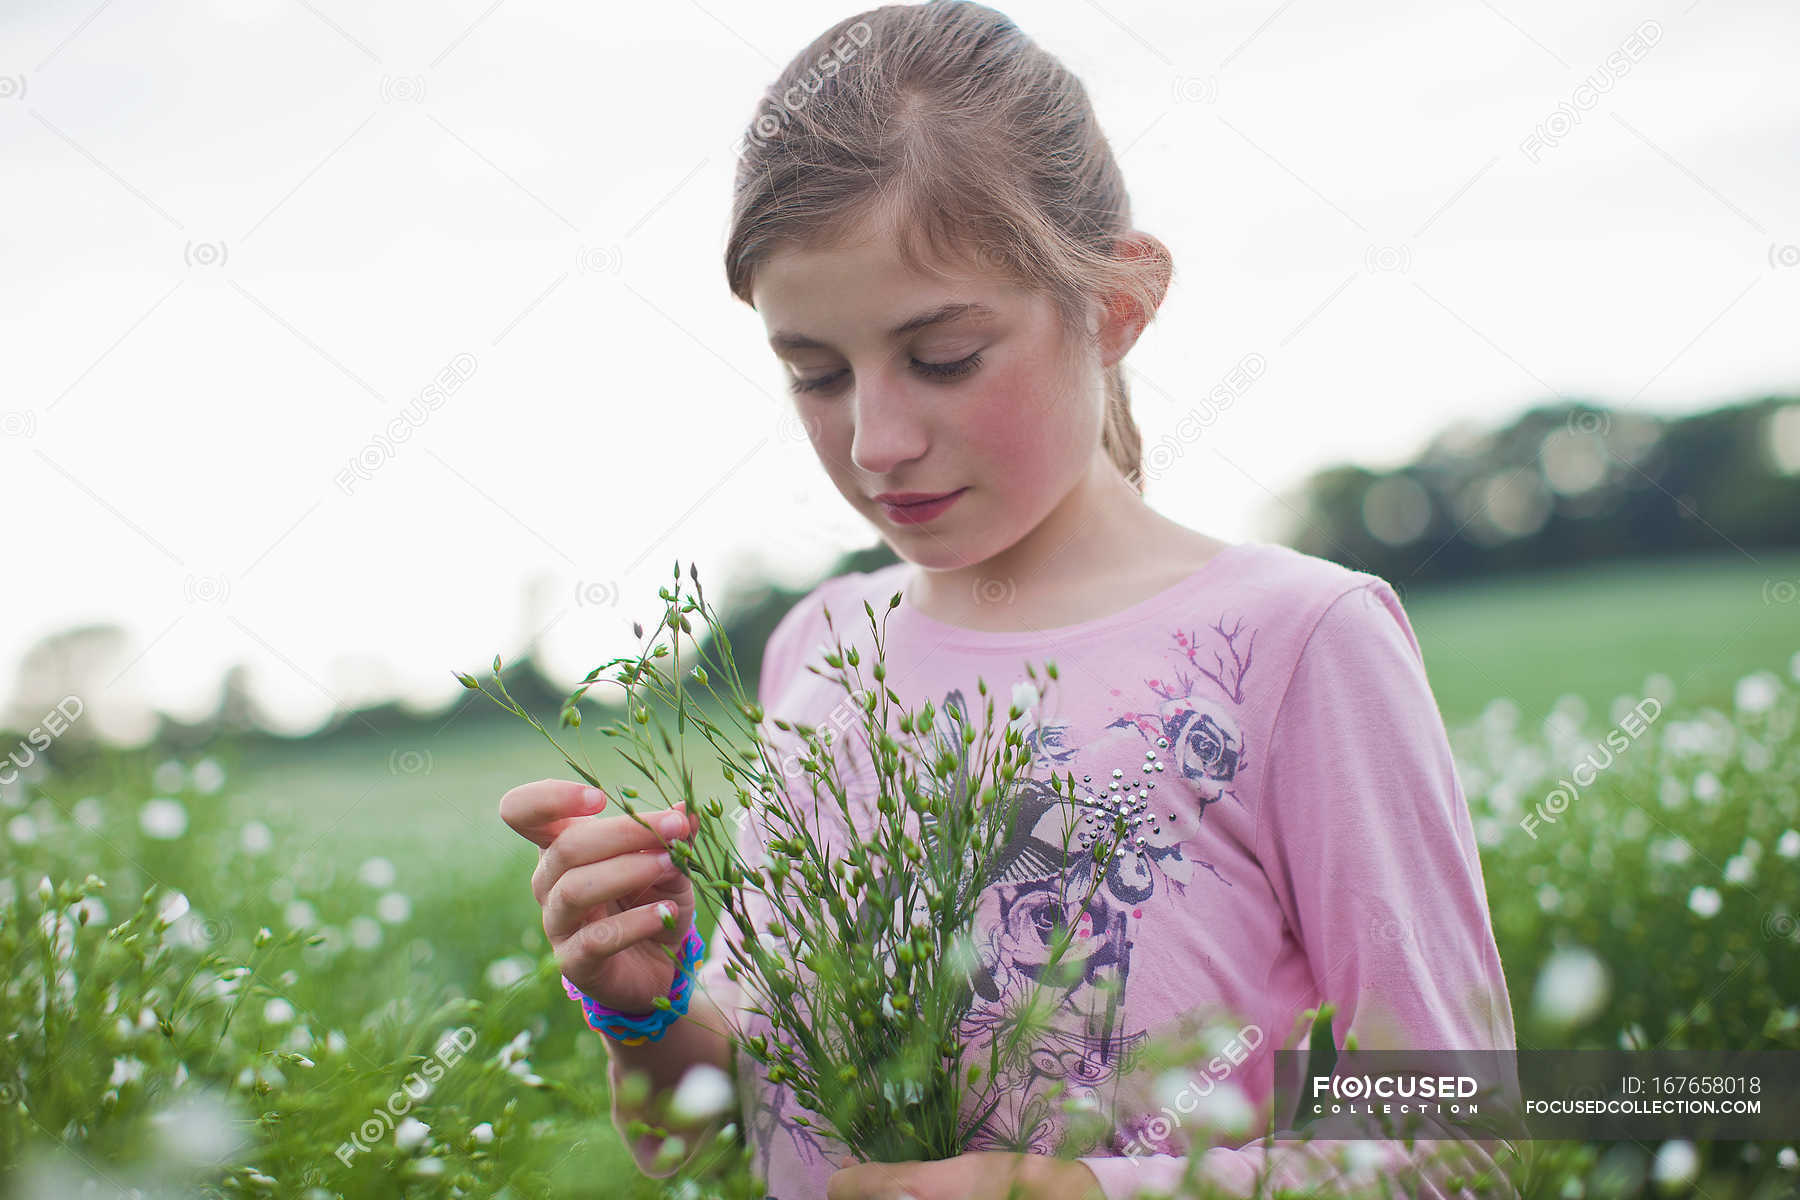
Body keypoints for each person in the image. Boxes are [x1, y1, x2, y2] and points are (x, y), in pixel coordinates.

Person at [501, 2, 1520, 1196]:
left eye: (943, 357)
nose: (876, 441)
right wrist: (646, 1013)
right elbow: (722, 1141)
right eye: (815, 374)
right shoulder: (823, 648)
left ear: (1118, 305)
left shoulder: (1299, 642)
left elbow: (1468, 1144)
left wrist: (1075, 1192)